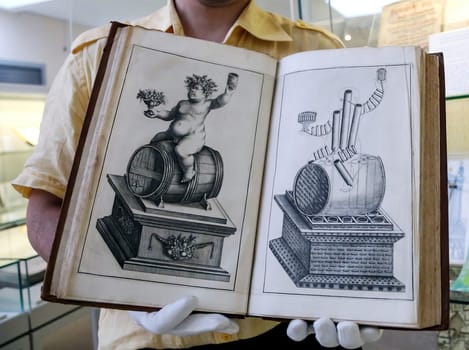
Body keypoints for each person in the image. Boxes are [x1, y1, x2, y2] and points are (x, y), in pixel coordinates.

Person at [12, 0, 382, 349]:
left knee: (189, 163)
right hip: (148, 339)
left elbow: (344, 169)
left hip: (289, 328)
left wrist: (361, 292)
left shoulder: (318, 48)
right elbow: (45, 206)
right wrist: (129, 296)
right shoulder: (97, 52)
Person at [146, 73, 238, 182]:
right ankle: (151, 160)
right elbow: (170, 115)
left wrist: (228, 92)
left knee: (181, 151)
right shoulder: (182, 103)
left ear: (205, 93)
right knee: (157, 137)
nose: (192, 90)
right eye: (191, 88)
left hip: (193, 137)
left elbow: (220, 101)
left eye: (197, 88)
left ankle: (189, 170)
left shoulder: (206, 104)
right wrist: (157, 114)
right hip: (172, 134)